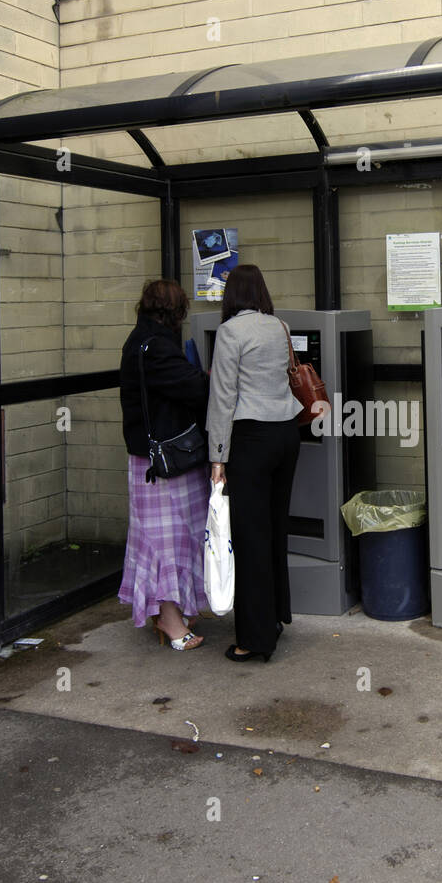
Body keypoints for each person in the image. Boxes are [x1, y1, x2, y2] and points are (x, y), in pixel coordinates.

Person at [206, 264, 302, 662]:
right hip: (285, 435)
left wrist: (218, 456)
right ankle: (276, 616)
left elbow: (223, 397)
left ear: (232, 296)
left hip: (250, 439)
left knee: (249, 539)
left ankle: (254, 639)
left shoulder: (231, 331)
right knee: (275, 529)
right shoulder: (278, 327)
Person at [119, 278, 210, 650]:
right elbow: (195, 388)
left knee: (176, 539)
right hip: (163, 465)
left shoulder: (142, 341)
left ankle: (173, 610)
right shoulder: (156, 347)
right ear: (176, 312)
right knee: (167, 542)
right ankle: (169, 620)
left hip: (159, 460)